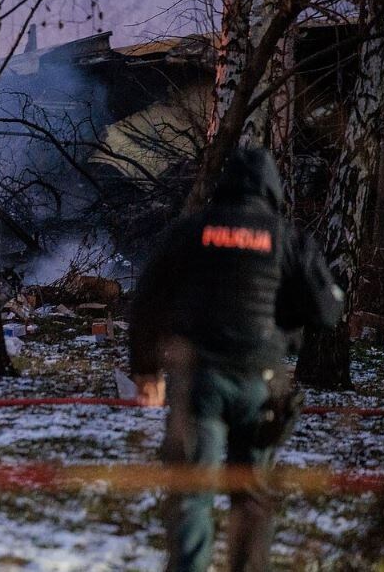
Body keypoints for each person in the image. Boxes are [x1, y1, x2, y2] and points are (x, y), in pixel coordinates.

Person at [129, 147, 343, 572]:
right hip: (260, 383)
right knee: (252, 496)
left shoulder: (191, 231)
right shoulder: (286, 238)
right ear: (272, 190)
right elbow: (328, 309)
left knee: (193, 492)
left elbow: (147, 300)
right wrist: (285, 318)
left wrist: (146, 370)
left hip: (198, 382)